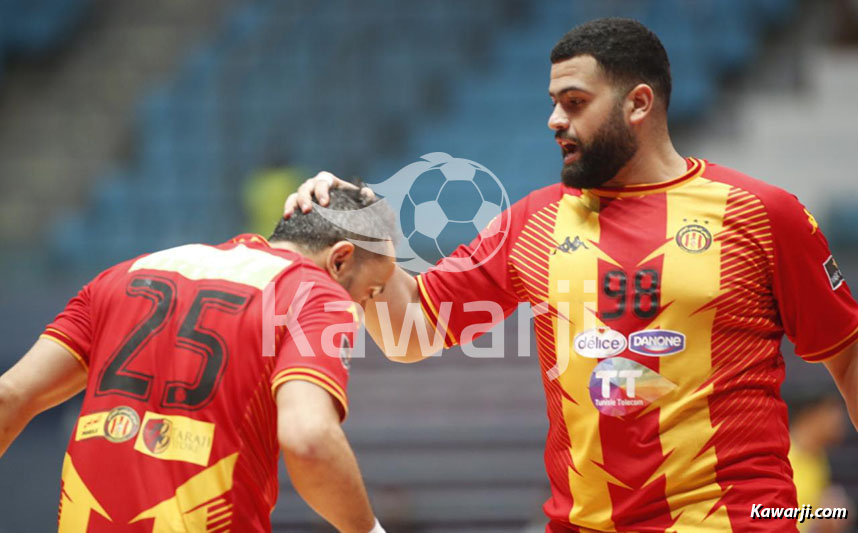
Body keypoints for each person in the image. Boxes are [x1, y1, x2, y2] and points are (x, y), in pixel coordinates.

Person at [283, 18, 858, 533]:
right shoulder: (532, 221)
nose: (555, 119)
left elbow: (847, 356)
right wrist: (367, 237)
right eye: (554, 101)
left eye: (575, 101)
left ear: (638, 103)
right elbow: (410, 334)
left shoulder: (762, 213)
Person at [0, 189, 395, 532]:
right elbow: (309, 438)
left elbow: (9, 395)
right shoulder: (316, 295)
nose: (365, 306)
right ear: (340, 260)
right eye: (372, 291)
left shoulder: (125, 274)